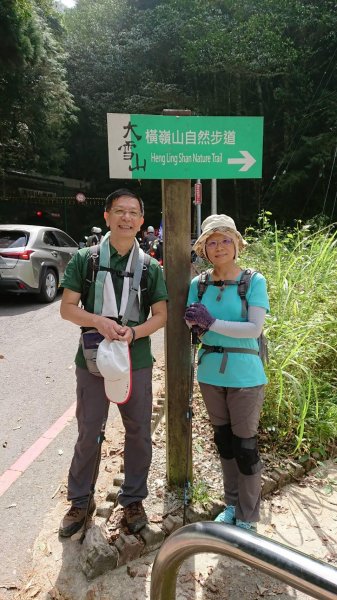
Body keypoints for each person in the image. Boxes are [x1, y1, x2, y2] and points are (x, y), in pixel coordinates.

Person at [59, 188, 168, 537]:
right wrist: (98, 321)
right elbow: (67, 308)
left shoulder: (150, 267)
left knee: (138, 433)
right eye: (119, 211)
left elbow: (161, 315)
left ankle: (133, 499)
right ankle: (80, 501)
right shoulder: (86, 259)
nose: (126, 217)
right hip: (91, 359)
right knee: (89, 431)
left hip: (135, 360)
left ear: (141, 221)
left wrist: (135, 334)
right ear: (106, 216)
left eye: (133, 212)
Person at [184, 214, 269, 531]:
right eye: (211, 242)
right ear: (204, 249)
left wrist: (212, 323)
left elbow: (253, 328)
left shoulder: (253, 281)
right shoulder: (199, 284)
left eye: (224, 240)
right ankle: (232, 506)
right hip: (211, 375)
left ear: (236, 244)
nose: (218, 247)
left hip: (245, 376)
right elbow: (193, 323)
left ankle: (248, 517)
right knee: (224, 442)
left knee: (245, 448)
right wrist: (196, 322)